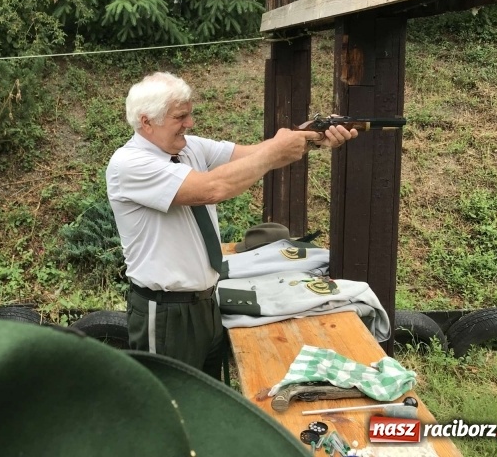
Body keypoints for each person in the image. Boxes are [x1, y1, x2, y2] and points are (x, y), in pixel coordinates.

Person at [106, 71, 358, 378]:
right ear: (147, 122)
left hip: (206, 302)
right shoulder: (129, 164)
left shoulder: (188, 148)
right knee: (171, 407)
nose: (190, 123)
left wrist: (313, 139)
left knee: (210, 401)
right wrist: (275, 149)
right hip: (167, 311)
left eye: (189, 114)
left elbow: (254, 155)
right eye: (180, 116)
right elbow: (213, 189)